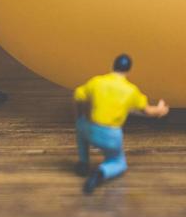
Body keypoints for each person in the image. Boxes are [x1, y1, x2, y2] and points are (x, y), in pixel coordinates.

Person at [72, 53, 170, 194]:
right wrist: (161, 110)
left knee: (80, 125)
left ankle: (83, 163)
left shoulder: (97, 81)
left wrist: (80, 116)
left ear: (112, 66)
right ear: (129, 70)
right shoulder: (131, 91)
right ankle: (100, 173)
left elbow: (78, 95)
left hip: (91, 129)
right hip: (111, 136)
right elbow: (148, 111)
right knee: (118, 162)